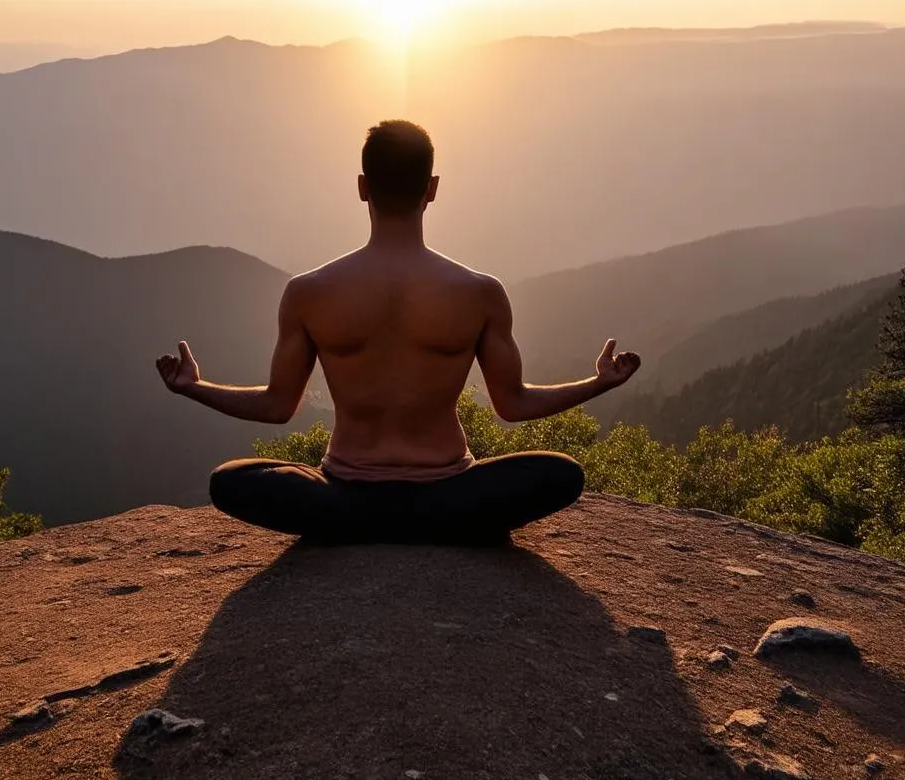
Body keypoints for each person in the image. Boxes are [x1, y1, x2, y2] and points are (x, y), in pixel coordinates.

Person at [156, 120, 640, 544]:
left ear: (362, 187)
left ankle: (354, 530)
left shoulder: (309, 292)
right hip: (449, 494)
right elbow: (513, 405)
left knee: (231, 481)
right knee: (560, 473)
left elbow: (276, 406)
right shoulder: (479, 292)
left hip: (344, 496)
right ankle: (443, 529)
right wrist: (599, 382)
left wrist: (194, 388)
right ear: (432, 188)